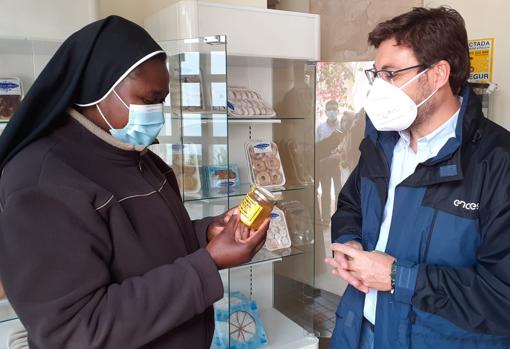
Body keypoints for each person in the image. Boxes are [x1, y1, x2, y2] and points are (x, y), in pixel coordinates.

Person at [0, 16, 269, 349]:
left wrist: (204, 235)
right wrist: (209, 262)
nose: (158, 112)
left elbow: (140, 247)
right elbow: (76, 331)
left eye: (162, 100)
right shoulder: (41, 181)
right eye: (149, 99)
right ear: (98, 89)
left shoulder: (136, 155)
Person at [325, 7, 510, 349]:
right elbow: (351, 205)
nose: (380, 88)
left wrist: (399, 278)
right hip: (359, 333)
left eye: (391, 74)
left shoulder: (498, 163)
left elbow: (502, 295)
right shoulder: (380, 144)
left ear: (438, 74)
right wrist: (349, 241)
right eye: (376, 74)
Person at [316, 100, 344, 224]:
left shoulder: (342, 127)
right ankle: (326, 219)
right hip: (324, 165)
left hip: (338, 165)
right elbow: (317, 147)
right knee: (325, 192)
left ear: (337, 111)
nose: (332, 111)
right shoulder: (320, 128)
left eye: (334, 109)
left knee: (339, 191)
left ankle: (339, 217)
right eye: (329, 109)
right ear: (326, 111)